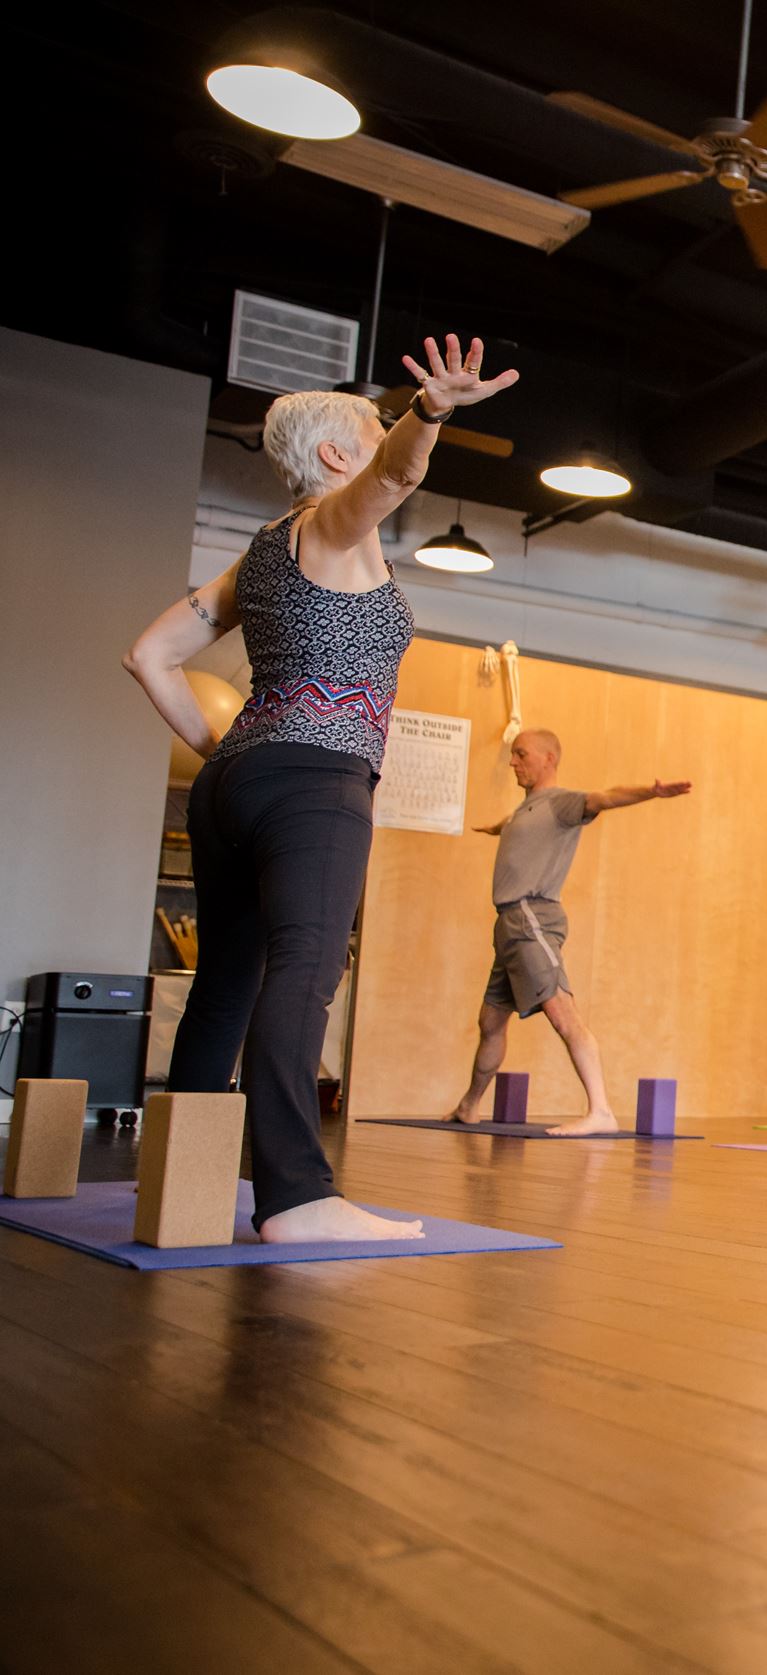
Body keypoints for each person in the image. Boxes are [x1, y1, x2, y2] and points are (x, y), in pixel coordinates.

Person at [124, 334, 518, 1242]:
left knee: (225, 982)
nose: (385, 443)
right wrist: (429, 413)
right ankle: (296, 1198)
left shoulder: (259, 552)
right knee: (304, 972)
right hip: (316, 778)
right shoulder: (336, 522)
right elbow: (394, 478)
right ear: (340, 458)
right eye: (371, 433)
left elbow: (148, 656)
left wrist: (229, 748)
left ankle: (178, 1182)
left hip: (235, 781)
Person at [442, 729, 691, 1134]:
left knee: (563, 1015)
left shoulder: (562, 803)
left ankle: (601, 1112)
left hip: (531, 919)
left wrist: (651, 791)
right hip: (508, 925)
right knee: (490, 1022)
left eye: (521, 754)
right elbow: (514, 827)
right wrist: (497, 829)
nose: (513, 762)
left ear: (548, 759)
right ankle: (469, 1106)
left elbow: (606, 797)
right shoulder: (526, 810)